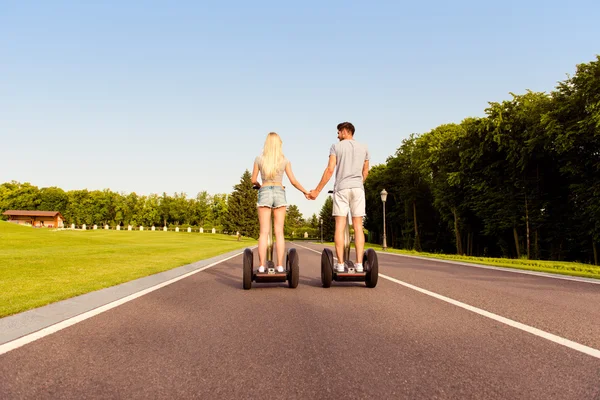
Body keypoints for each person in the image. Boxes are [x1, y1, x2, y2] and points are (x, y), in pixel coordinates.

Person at [308, 122, 369, 272]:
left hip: (342, 189)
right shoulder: (364, 148)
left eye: (338, 132)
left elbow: (330, 170)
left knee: (340, 227)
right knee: (358, 227)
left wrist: (316, 190)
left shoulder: (336, 147)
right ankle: (360, 264)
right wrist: (358, 184)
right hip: (358, 188)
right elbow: (366, 171)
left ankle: (340, 264)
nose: (337, 135)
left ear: (345, 131)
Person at [251, 132, 310, 273]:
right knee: (279, 232)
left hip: (264, 190)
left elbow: (253, 180)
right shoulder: (284, 160)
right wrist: (305, 192)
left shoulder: (259, 159)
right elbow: (293, 181)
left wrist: (259, 186)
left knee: (263, 232)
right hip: (279, 191)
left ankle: (261, 266)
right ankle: (279, 265)